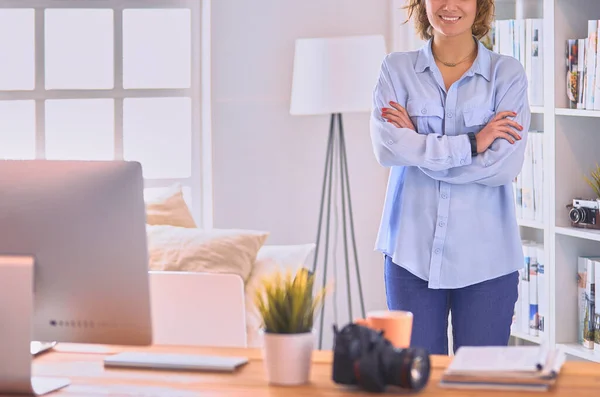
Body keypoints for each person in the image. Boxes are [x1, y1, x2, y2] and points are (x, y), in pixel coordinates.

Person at [370, 0, 530, 355]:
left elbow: (503, 167)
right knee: (417, 382)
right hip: (410, 255)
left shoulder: (508, 75)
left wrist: (418, 146)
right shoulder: (396, 70)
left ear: (480, 4)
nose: (449, 5)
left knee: (479, 386)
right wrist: (474, 142)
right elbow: (387, 151)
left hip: (488, 261)